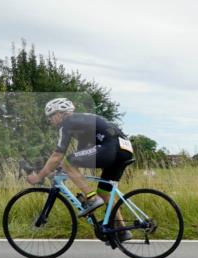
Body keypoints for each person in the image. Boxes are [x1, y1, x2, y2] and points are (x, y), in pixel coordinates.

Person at [27, 98, 136, 236]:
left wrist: (39, 177)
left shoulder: (67, 123)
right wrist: (60, 168)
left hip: (110, 147)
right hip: (125, 150)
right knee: (104, 192)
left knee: (68, 162)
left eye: (50, 116)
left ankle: (91, 198)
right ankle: (122, 231)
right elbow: (81, 153)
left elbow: (58, 155)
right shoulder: (81, 122)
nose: (49, 119)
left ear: (59, 114)